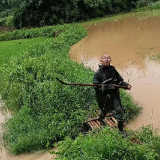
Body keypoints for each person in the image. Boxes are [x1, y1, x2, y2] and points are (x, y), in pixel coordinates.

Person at [93, 53, 132, 132]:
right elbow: (96, 86)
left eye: (108, 58)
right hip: (103, 95)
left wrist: (126, 85)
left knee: (119, 110)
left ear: (110, 60)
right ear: (101, 60)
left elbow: (120, 81)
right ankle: (102, 121)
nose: (106, 59)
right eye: (104, 58)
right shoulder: (98, 73)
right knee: (103, 110)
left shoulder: (113, 70)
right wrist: (108, 86)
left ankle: (121, 131)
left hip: (114, 94)